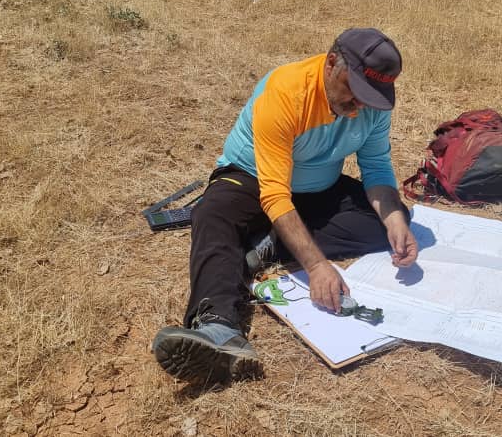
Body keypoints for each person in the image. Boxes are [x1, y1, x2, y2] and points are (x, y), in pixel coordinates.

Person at [152, 28, 418, 384]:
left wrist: (395, 221)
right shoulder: (286, 91)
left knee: (389, 218)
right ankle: (218, 327)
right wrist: (316, 265)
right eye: (354, 90)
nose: (360, 106)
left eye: (371, 97)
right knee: (213, 214)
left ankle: (270, 242)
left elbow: (376, 167)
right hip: (253, 177)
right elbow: (275, 193)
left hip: (317, 187)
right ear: (331, 63)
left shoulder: (371, 106)